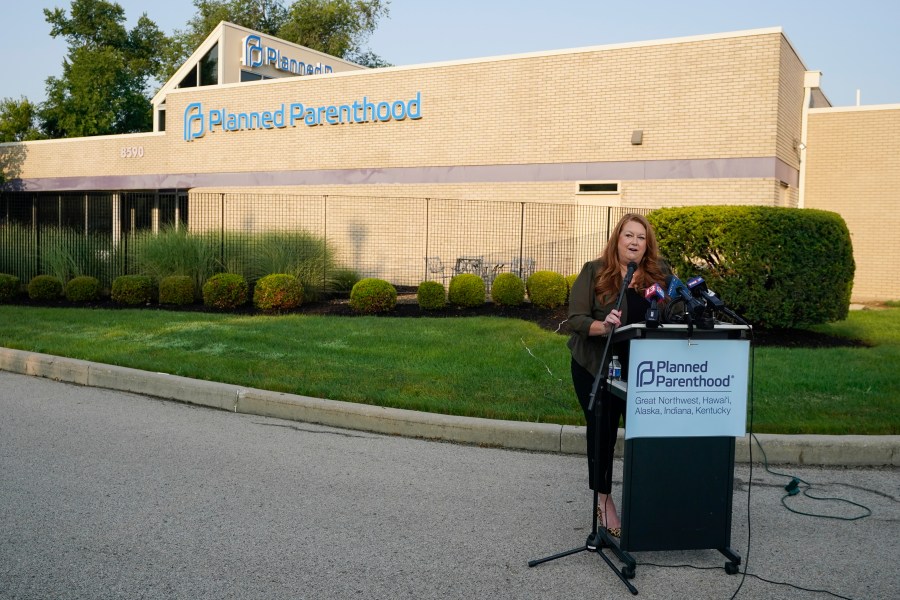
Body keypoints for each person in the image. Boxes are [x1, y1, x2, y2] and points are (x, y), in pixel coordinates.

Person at [566, 213, 670, 536]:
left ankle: (648, 500)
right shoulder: (595, 272)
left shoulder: (659, 275)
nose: (635, 242)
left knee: (645, 435)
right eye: (629, 235)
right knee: (603, 432)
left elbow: (672, 312)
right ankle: (604, 499)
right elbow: (577, 319)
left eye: (641, 237)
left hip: (641, 369)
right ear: (618, 238)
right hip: (596, 366)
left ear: (647, 244)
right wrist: (603, 325)